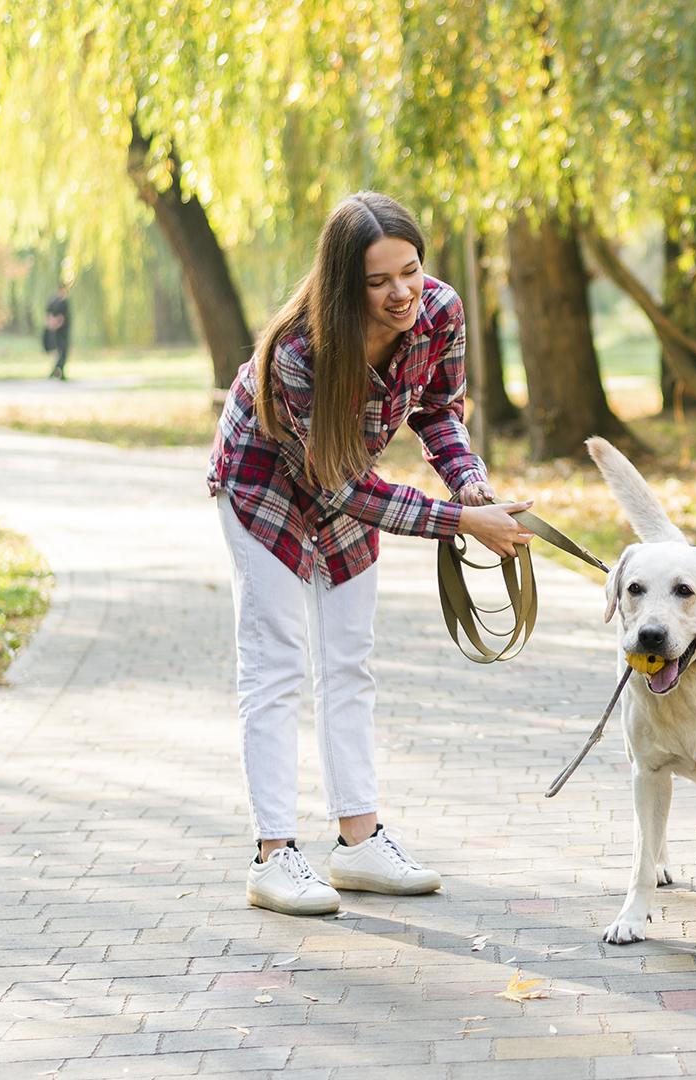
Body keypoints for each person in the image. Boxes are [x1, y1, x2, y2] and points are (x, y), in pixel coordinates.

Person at [206, 191, 534, 915]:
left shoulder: (440, 312)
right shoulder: (301, 352)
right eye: (378, 282)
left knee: (349, 659)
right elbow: (343, 482)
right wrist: (457, 523)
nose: (401, 293)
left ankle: (358, 843)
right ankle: (273, 856)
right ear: (343, 286)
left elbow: (438, 411)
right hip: (267, 485)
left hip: (348, 484)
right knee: (278, 664)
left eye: (410, 271)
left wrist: (470, 487)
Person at [43, 283, 71, 380]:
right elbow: (61, 318)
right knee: (63, 352)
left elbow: (48, 316)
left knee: (59, 352)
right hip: (61, 331)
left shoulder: (52, 300)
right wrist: (56, 325)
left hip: (54, 329)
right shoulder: (63, 302)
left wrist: (51, 326)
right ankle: (56, 372)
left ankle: (59, 373)